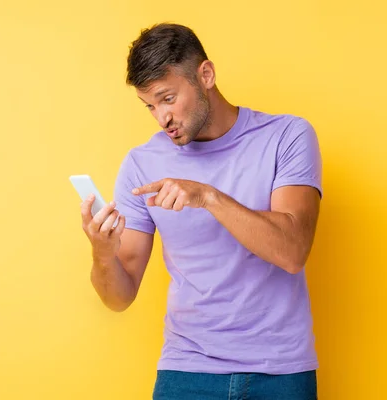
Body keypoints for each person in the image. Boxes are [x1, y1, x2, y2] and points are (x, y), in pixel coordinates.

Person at [81, 23, 322, 400]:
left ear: (205, 75)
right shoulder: (142, 164)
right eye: (150, 106)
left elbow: (292, 251)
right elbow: (119, 297)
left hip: (279, 372)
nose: (162, 119)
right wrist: (101, 252)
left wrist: (209, 197)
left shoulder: (286, 137)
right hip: (186, 372)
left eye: (167, 98)